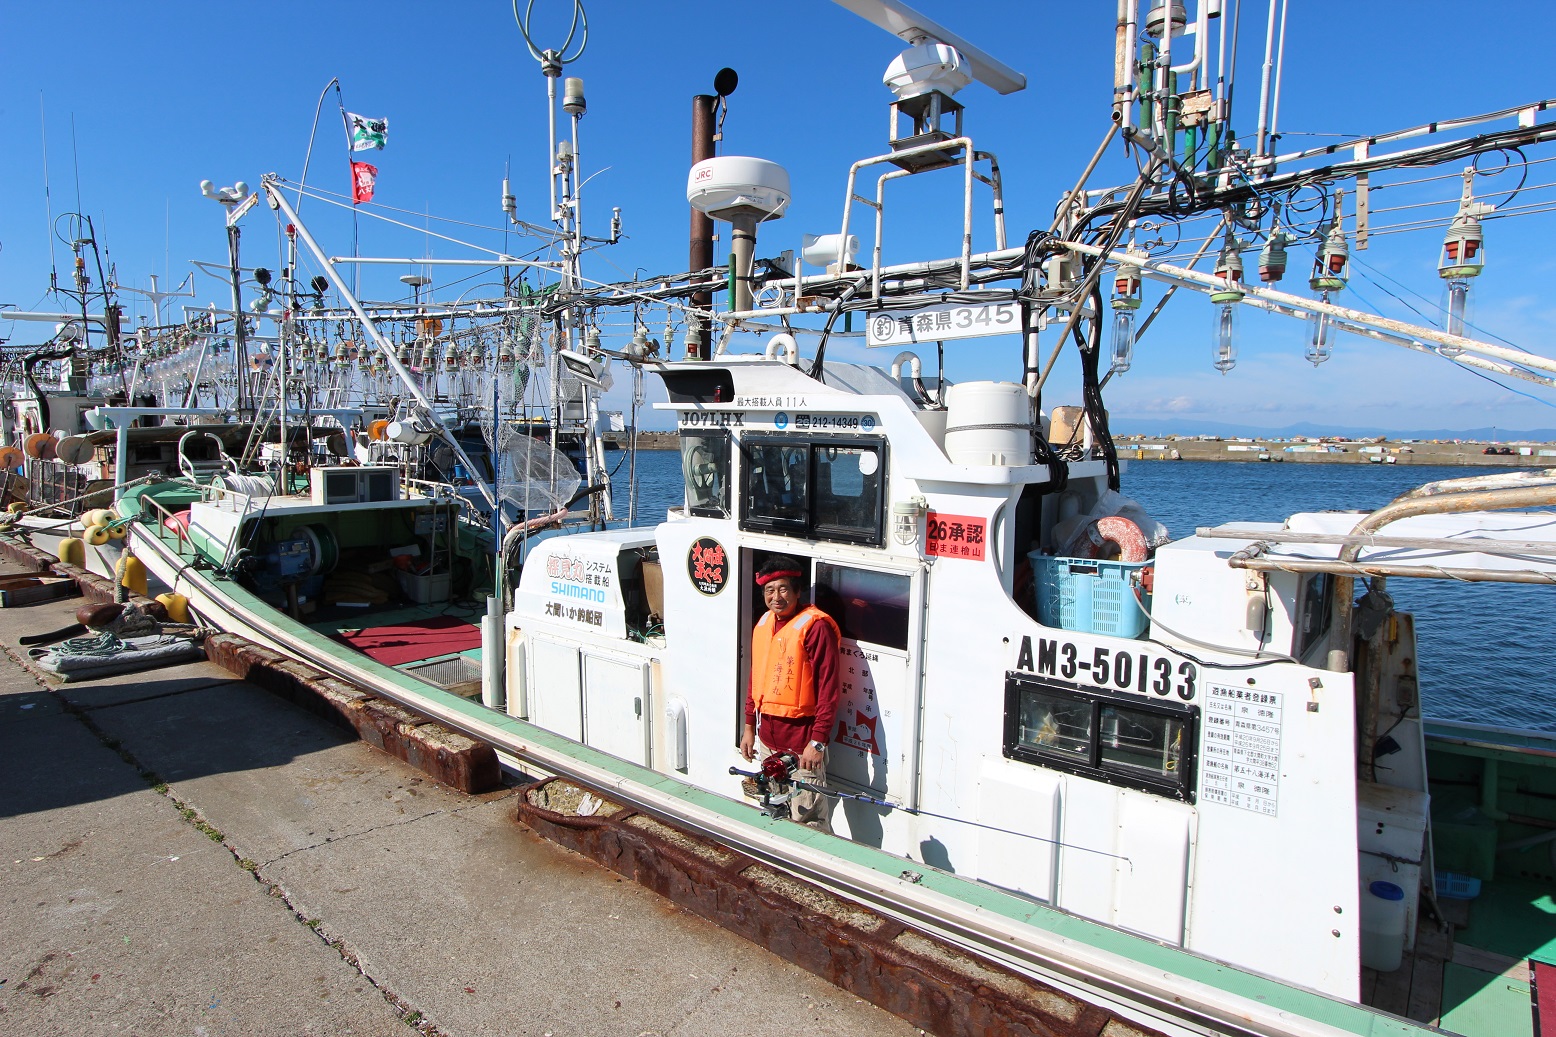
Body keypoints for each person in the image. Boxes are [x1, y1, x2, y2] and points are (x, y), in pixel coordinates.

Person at [739, 555, 839, 832]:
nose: (776, 596)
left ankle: (813, 872)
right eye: (770, 590)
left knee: (808, 817)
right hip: (768, 740)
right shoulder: (764, 624)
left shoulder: (815, 627)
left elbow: (828, 688)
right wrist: (749, 727)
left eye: (783, 589)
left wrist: (818, 741)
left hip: (802, 743)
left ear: (797, 592)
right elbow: (755, 678)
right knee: (773, 806)